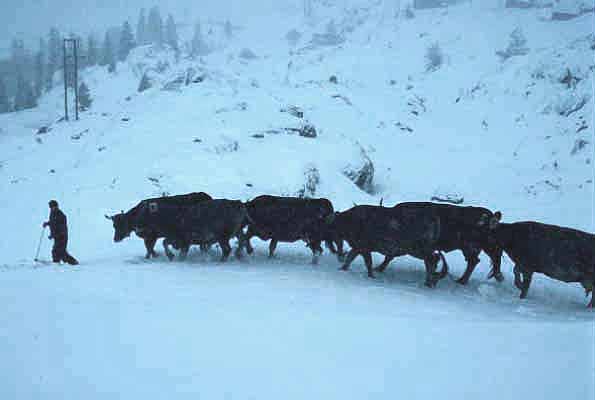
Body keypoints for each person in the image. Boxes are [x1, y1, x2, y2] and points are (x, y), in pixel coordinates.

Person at [42, 200, 79, 265]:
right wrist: (47, 223)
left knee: (61, 251)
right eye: (51, 207)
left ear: (56, 206)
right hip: (57, 236)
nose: (52, 208)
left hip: (62, 236)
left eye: (53, 207)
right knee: (56, 251)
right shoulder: (52, 213)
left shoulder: (61, 215)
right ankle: (56, 263)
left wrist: (54, 235)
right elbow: (53, 222)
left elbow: (61, 228)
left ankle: (73, 262)